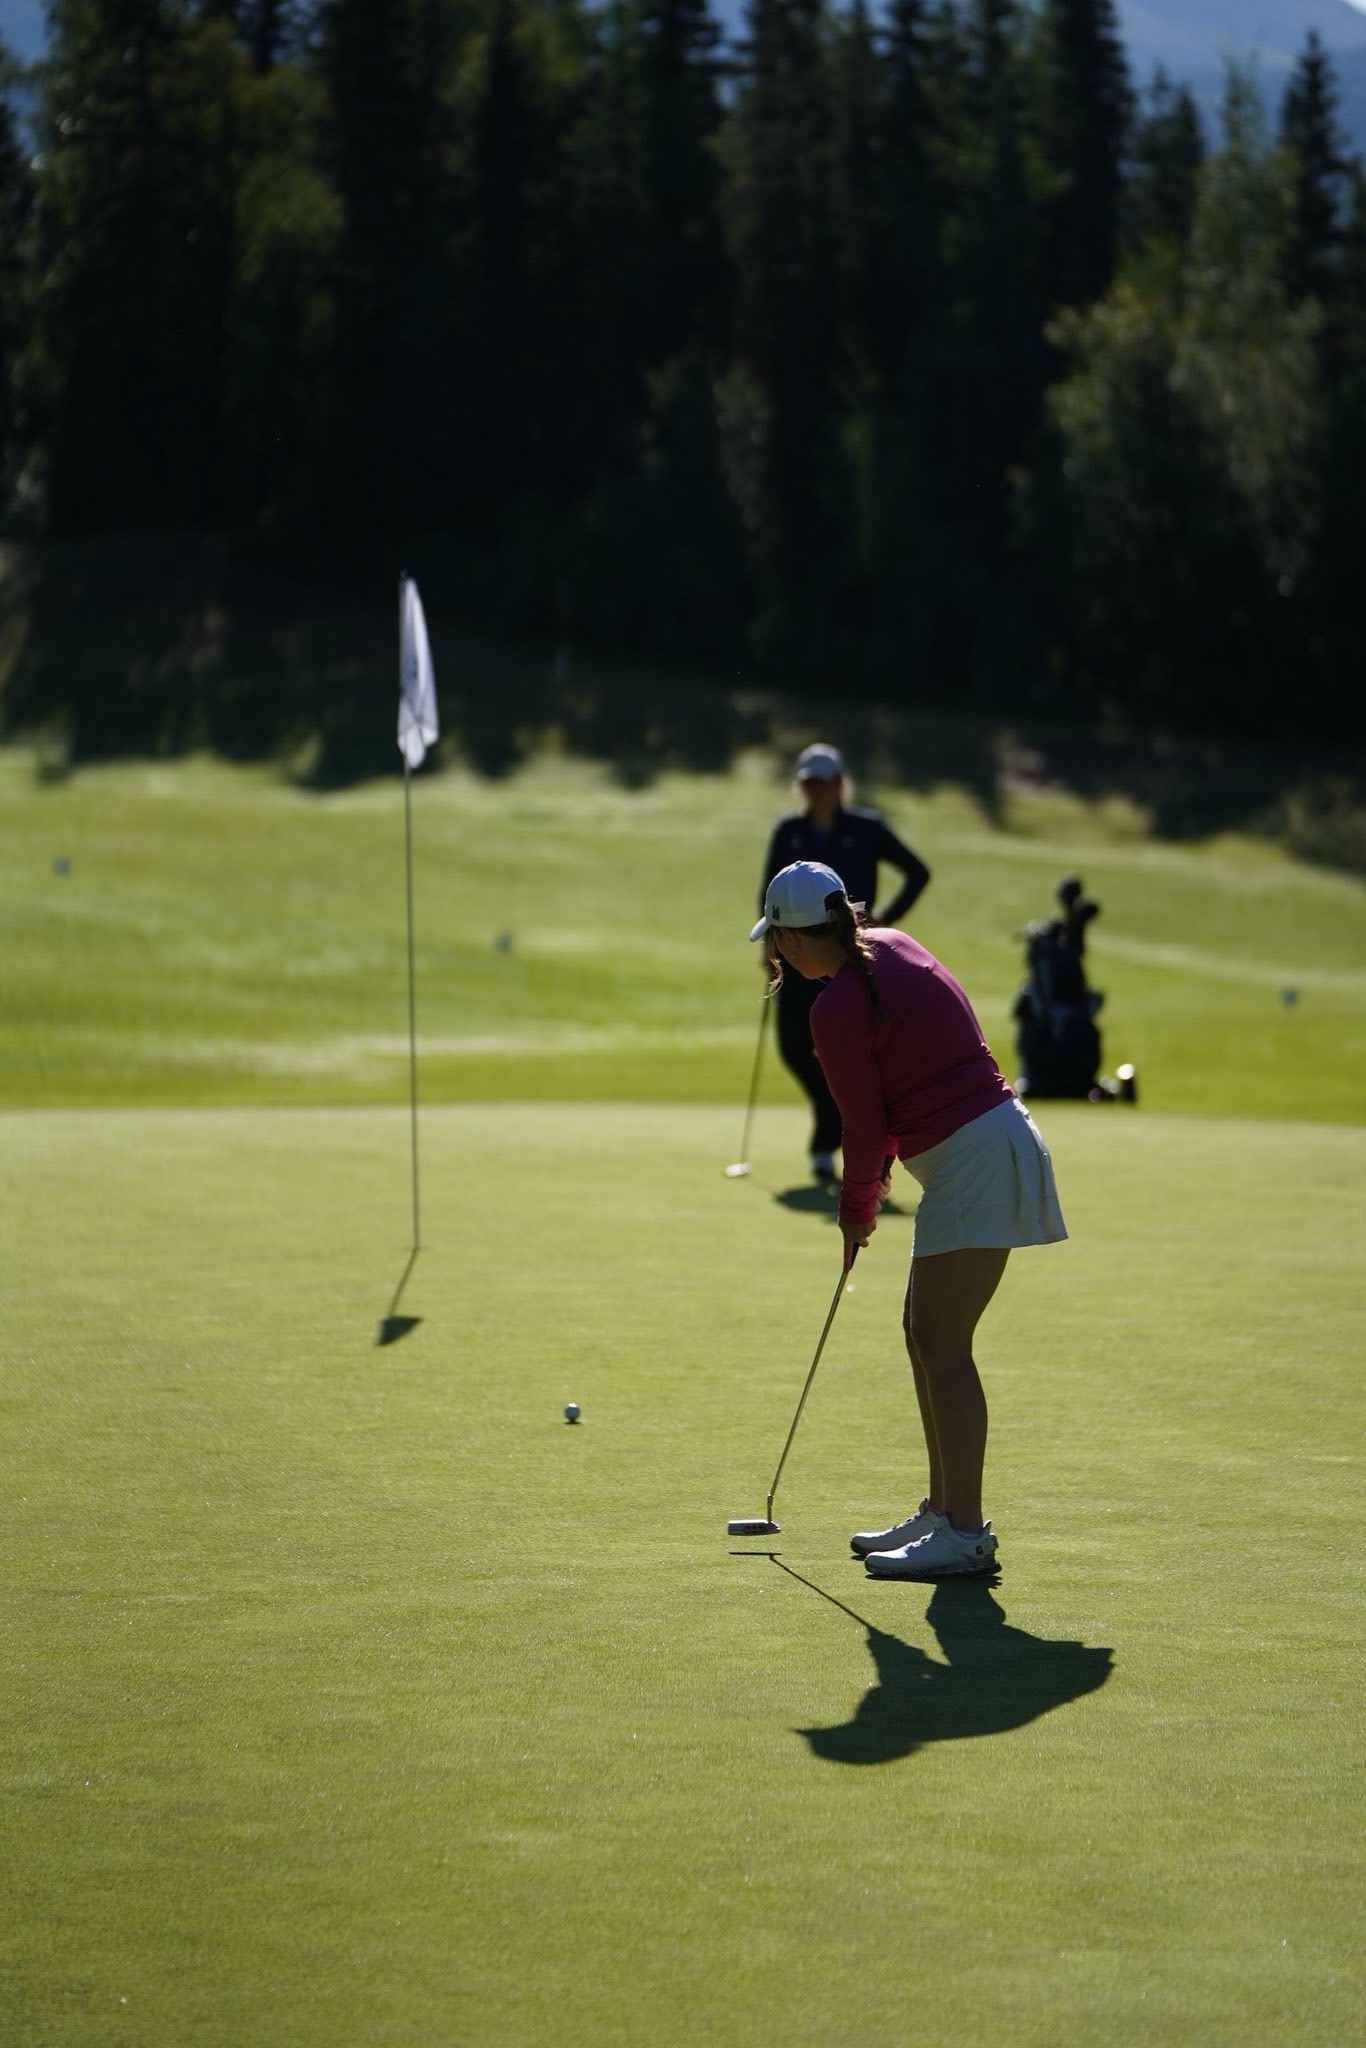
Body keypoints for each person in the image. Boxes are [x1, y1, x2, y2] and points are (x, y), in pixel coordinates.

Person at [748, 859, 1067, 1580]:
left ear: (793, 943)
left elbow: (862, 1128)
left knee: (943, 1342)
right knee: (923, 1333)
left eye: (775, 940)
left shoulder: (831, 1008)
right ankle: (942, 1509)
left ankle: (964, 1531)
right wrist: (872, 1188)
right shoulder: (895, 944)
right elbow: (895, 1099)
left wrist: (856, 1212)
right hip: (989, 1146)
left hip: (977, 1159)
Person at [758, 744, 929, 1182]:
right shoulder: (789, 831)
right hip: (797, 956)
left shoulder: (866, 828)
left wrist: (884, 919)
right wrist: (771, 948)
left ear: (839, 784)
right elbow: (768, 894)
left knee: (847, 1051)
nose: (816, 790)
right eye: (809, 782)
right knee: (794, 1048)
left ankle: (826, 1138)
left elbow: (917, 871)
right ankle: (832, 1115)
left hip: (851, 956)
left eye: (824, 782)